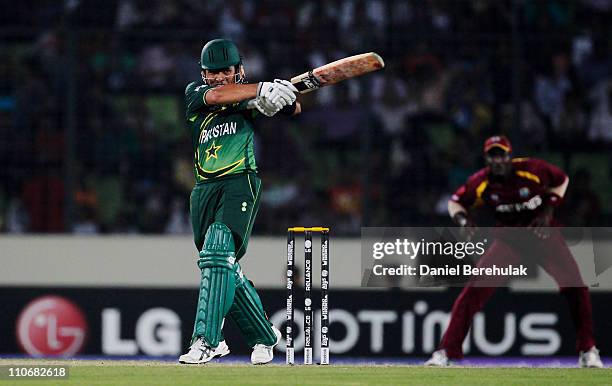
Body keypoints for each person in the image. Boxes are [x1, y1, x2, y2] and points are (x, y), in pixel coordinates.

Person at [425, 135, 603, 368]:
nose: (498, 160)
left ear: (510, 156)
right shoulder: (481, 182)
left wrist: (548, 210)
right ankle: (445, 352)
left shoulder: (532, 169)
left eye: (502, 154)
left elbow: (561, 180)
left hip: (543, 235)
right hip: (510, 240)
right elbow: (455, 202)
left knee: (576, 287)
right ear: (486, 158)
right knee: (473, 291)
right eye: (493, 155)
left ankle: (588, 350)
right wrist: (462, 219)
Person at [178, 38, 301, 365]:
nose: (218, 77)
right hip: (204, 189)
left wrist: (281, 100)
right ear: (203, 73)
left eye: (226, 72)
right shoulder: (195, 94)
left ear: (239, 71)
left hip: (240, 182)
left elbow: (292, 108)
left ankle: (207, 340)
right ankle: (264, 335)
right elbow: (220, 96)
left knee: (218, 253)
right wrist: (261, 89)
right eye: (212, 72)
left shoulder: (248, 98)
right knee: (221, 265)